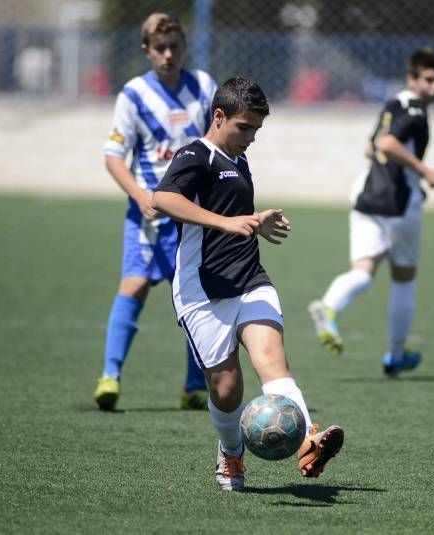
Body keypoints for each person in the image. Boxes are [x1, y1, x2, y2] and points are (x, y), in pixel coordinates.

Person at [151, 76, 344, 491]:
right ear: (218, 116)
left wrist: (256, 222)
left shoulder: (238, 159)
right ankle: (231, 454)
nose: (252, 138)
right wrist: (228, 222)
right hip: (203, 290)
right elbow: (162, 199)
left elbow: (233, 215)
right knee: (227, 388)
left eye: (257, 129)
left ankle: (308, 438)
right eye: (245, 128)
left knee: (272, 359)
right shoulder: (195, 154)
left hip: (249, 277)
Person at [94, 13, 217, 411]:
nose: (168, 55)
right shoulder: (133, 95)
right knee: (133, 286)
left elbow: (217, 145)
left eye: (175, 47)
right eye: (159, 49)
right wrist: (141, 195)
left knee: (196, 298)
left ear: (185, 47)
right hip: (148, 218)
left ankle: (193, 386)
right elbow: (114, 157)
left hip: (192, 216)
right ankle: (110, 376)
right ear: (146, 50)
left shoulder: (203, 87)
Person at [308, 48, 434, 378]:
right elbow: (387, 145)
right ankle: (396, 355)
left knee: (363, 272)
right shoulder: (413, 109)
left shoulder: (392, 104)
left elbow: (371, 146)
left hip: (367, 196)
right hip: (398, 205)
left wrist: (405, 173)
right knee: (403, 282)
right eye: (428, 79)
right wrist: (423, 171)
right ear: (412, 79)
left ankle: (329, 307)